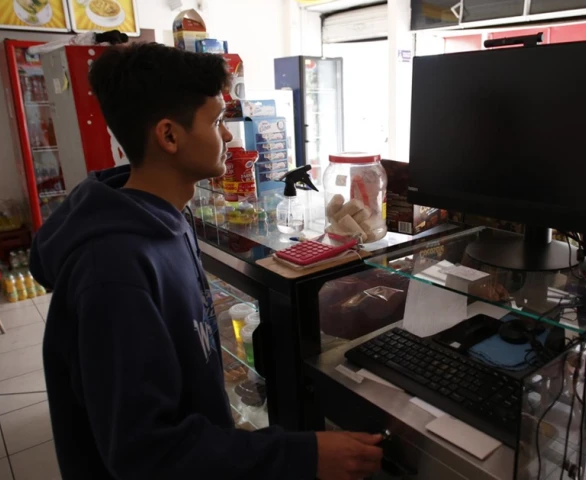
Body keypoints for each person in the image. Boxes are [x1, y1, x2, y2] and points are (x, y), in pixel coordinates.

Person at [30, 43, 383, 480]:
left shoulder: (168, 216)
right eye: (217, 121)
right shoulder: (112, 270)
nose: (230, 136)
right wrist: (301, 456)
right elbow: (145, 453)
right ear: (169, 135)